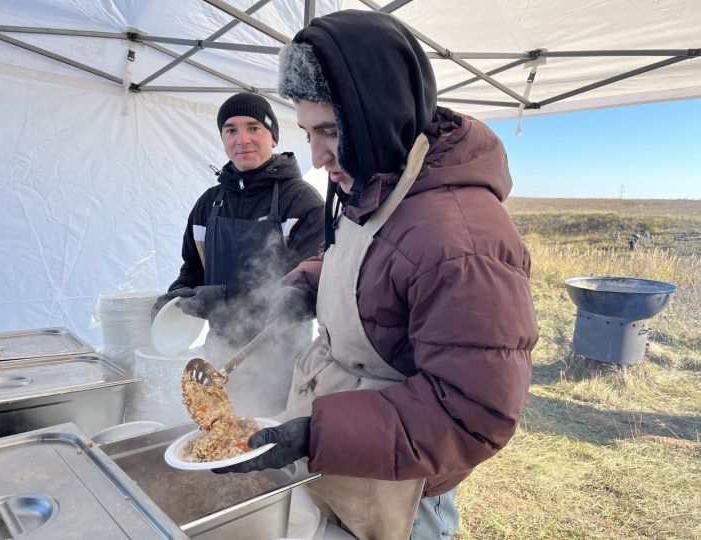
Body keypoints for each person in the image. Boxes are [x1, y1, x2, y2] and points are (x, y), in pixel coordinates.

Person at [216, 10, 538, 540]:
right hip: (346, 461)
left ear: (378, 114)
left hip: (402, 491)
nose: (317, 157)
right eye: (306, 132)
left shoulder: (464, 240)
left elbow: (473, 412)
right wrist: (310, 283)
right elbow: (378, 262)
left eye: (330, 131)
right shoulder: (379, 183)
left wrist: (319, 433)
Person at [153, 92, 325, 348]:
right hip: (219, 350)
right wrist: (177, 295)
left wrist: (222, 297)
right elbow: (193, 269)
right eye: (230, 130)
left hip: (283, 357)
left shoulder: (301, 201)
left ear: (274, 137)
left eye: (253, 128)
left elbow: (307, 293)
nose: (242, 139)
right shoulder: (208, 204)